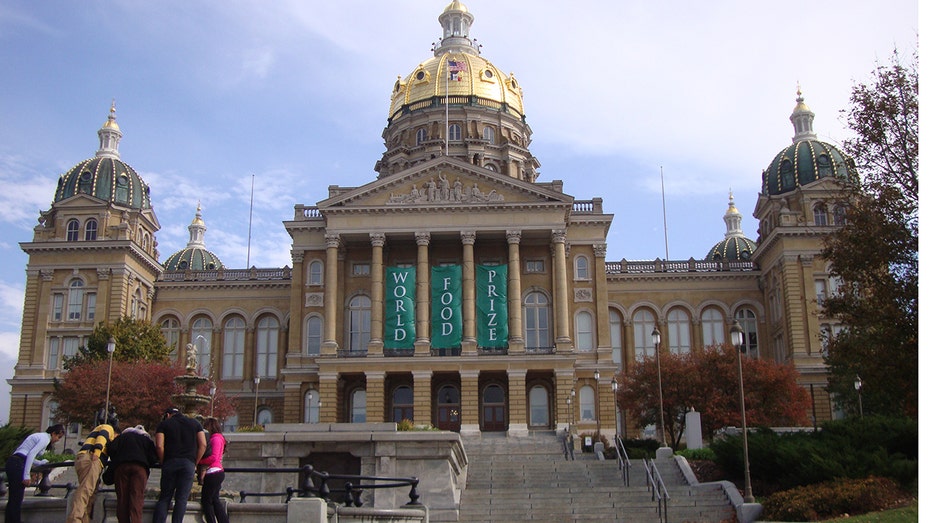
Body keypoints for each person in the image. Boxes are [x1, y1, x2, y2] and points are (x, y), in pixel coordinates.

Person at [152, 407, 206, 523]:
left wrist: (163, 461)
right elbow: (203, 444)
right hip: (188, 464)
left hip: (170, 462)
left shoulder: (164, 424)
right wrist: (194, 462)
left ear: (168, 415)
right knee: (181, 499)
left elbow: (159, 446)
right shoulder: (195, 423)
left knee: (165, 497)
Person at [4, 424, 66, 523]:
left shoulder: (40, 436)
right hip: (18, 463)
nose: (58, 440)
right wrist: (26, 476)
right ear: (53, 433)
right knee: (17, 498)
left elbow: (27, 454)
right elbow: (31, 454)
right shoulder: (45, 438)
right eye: (58, 437)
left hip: (12, 462)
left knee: (13, 498)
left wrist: (40, 462)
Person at [67, 409, 119, 523]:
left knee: (90, 492)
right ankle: (75, 519)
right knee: (86, 489)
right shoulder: (108, 428)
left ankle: (84, 519)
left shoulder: (95, 430)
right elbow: (103, 435)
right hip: (92, 458)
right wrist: (97, 451)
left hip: (83, 457)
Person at [106, 424, 158, 523]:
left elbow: (111, 449)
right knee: (137, 498)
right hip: (140, 468)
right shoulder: (145, 439)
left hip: (121, 467)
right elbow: (153, 457)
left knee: (122, 499)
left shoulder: (121, 437)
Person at [198, 417, 229, 523]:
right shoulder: (219, 438)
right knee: (215, 500)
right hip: (217, 472)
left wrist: (199, 461)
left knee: (206, 501)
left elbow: (214, 457)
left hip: (213, 472)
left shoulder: (215, 438)